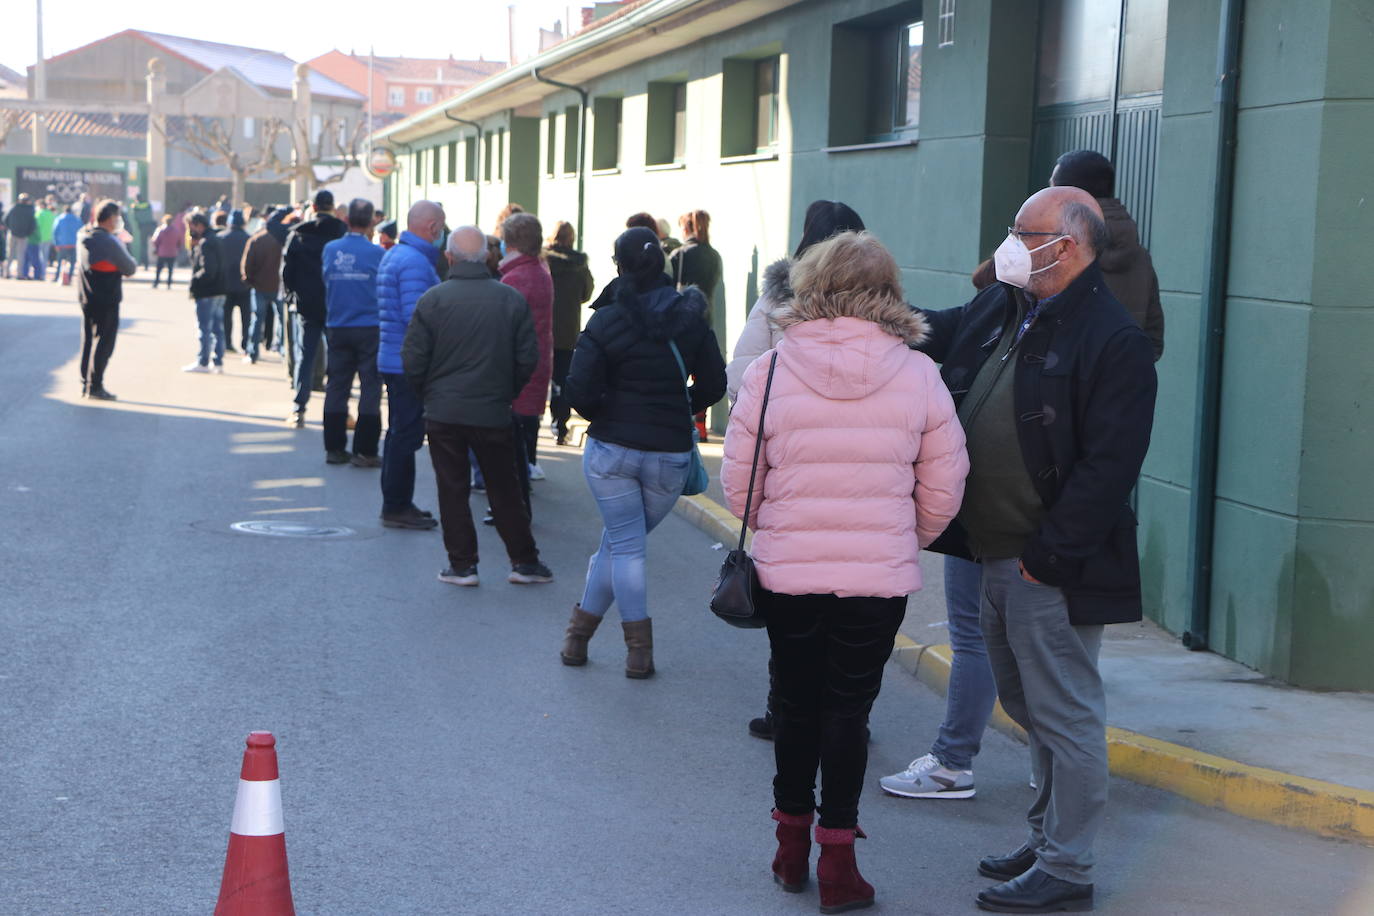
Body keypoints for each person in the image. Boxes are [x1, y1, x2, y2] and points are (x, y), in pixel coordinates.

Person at [920, 187, 1157, 914]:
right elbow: (942, 329)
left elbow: (1109, 466)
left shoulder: (1111, 339)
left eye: (1026, 233)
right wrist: (865, 311)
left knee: (1066, 711)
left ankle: (1068, 866)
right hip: (991, 551)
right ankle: (1048, 836)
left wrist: (1046, 560)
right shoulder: (1008, 305)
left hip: (1044, 563)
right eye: (1013, 230)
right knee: (1027, 702)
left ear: (1072, 247)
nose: (1011, 244)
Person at [721, 231, 967, 913]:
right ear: (888, 290)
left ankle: (789, 846)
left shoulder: (772, 368)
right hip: (875, 579)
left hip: (789, 572)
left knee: (795, 704)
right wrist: (897, 538)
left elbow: (739, 484)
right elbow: (946, 485)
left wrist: (778, 532)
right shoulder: (919, 373)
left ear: (813, 284)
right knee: (849, 712)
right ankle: (839, 861)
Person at [723, 199, 867, 743]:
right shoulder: (881, 304)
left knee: (793, 600)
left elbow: (741, 374)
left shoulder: (777, 299)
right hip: (862, 476)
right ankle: (849, 715)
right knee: (854, 600)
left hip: (793, 473)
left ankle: (786, 711)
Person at [561, 227, 727, 678]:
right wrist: (680, 406)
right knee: (620, 545)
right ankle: (576, 639)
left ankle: (638, 652)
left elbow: (578, 391)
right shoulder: (692, 317)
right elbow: (714, 385)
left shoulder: (605, 319)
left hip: (611, 451)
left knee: (624, 548)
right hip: (668, 455)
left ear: (618, 266)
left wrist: (608, 409)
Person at [401, 225, 553, 587]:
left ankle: (462, 565)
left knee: (452, 489)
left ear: (449, 256)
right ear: (488, 256)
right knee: (505, 487)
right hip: (492, 409)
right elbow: (527, 357)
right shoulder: (510, 300)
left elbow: (413, 360)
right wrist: (506, 392)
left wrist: (430, 394)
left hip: (444, 411)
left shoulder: (433, 300)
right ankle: (524, 561)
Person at [726, 200, 865, 406]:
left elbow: (741, 380)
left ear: (807, 240)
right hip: (861, 430)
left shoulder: (775, 300)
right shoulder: (878, 307)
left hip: (786, 429)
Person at [1050, 149, 1165, 361]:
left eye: (1051, 189)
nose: (1046, 197)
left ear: (1066, 196)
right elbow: (1153, 337)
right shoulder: (1140, 257)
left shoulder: (1055, 251)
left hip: (1058, 387)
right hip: (1120, 384)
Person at [376, 200, 446, 530]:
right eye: (441, 227)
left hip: (394, 357)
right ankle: (397, 505)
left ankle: (398, 502)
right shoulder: (415, 263)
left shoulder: (397, 255)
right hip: (408, 362)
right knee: (406, 434)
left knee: (399, 433)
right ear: (432, 227)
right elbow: (418, 316)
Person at [321, 199, 385, 467]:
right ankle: (365, 451)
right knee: (370, 387)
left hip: (338, 324)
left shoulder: (330, 249)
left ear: (347, 220)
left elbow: (325, 281)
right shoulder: (378, 253)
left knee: (337, 385)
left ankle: (334, 449)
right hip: (369, 326)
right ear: (372, 221)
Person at [281, 190, 347, 426]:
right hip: (336, 302)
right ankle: (341, 408)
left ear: (314, 206)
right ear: (331, 207)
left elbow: (287, 271)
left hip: (306, 303)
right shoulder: (341, 233)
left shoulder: (299, 234)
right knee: (338, 357)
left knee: (305, 356)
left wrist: (292, 294)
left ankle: (299, 408)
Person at [499, 212, 555, 482]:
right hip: (538, 357)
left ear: (509, 242)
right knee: (526, 424)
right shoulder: (540, 271)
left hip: (517, 364)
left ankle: (516, 497)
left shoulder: (515, 278)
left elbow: (504, 328)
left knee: (513, 437)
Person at [667, 210, 723, 441]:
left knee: (678, 371)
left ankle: (678, 418)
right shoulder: (714, 255)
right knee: (703, 374)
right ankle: (701, 425)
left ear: (687, 228)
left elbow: (668, 285)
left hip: (681, 321)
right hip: (705, 318)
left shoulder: (679, 254)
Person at [76, 199, 137, 400]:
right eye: (117, 217)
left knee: (88, 340)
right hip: (108, 298)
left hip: (86, 296)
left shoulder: (83, 235)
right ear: (111, 219)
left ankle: (86, 382)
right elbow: (130, 267)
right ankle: (96, 385)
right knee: (104, 343)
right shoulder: (109, 242)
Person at [544, 220, 595, 445]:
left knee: (537, 376)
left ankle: (531, 421)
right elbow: (586, 293)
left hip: (542, 327)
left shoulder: (542, 260)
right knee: (563, 379)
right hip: (566, 330)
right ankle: (560, 424)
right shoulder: (580, 264)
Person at [183, 212, 227, 374]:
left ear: (198, 225)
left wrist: (195, 280)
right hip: (220, 290)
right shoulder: (216, 239)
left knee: (205, 329)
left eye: (190, 226)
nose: (189, 231)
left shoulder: (206, 243)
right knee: (217, 328)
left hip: (207, 292)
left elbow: (208, 270)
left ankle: (203, 361)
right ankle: (218, 361)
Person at [241, 208, 285, 362]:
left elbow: (247, 264)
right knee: (282, 319)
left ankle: (252, 351)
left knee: (256, 320)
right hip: (279, 286)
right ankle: (282, 350)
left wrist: (249, 280)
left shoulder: (256, 239)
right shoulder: (283, 240)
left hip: (259, 286)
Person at [218, 210, 252, 355]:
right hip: (245, 284)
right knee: (246, 317)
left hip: (225, 284)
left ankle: (227, 343)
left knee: (226, 316)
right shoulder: (249, 238)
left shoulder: (220, 238)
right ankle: (246, 344)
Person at [4, 193, 37, 280]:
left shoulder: (13, 207)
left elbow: (5, 220)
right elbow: (33, 225)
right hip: (23, 236)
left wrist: (11, 228)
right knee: (20, 255)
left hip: (13, 234)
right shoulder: (30, 210)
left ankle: (6, 273)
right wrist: (28, 233)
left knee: (10, 254)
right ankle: (19, 274)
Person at [51, 205, 83, 283]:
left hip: (62, 244)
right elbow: (82, 230)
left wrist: (56, 243)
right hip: (73, 244)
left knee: (59, 262)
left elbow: (55, 232)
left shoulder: (59, 219)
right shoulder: (77, 219)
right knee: (72, 262)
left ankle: (57, 276)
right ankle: (70, 277)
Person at [151, 214, 182, 288]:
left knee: (159, 269)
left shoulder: (160, 230)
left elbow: (155, 241)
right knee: (170, 269)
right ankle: (169, 283)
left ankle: (156, 282)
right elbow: (179, 242)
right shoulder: (176, 231)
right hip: (172, 252)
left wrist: (157, 247)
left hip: (162, 252)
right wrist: (176, 248)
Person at [130, 192, 155, 268]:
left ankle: (145, 264)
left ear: (137, 199)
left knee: (144, 246)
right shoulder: (148, 204)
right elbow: (151, 214)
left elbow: (135, 217)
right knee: (156, 243)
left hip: (143, 227)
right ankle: (162, 258)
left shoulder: (135, 206)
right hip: (151, 226)